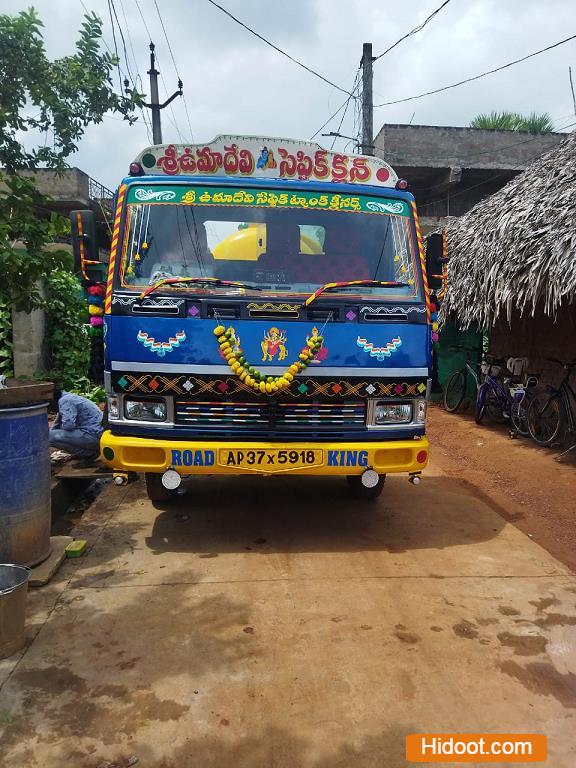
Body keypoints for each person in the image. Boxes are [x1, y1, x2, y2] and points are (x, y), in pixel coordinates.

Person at [49, 388, 104, 462]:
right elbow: (57, 424)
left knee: (47, 436)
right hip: (96, 435)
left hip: (93, 435)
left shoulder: (65, 401)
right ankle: (88, 452)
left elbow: (68, 425)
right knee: (51, 435)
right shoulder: (67, 398)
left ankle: (88, 453)